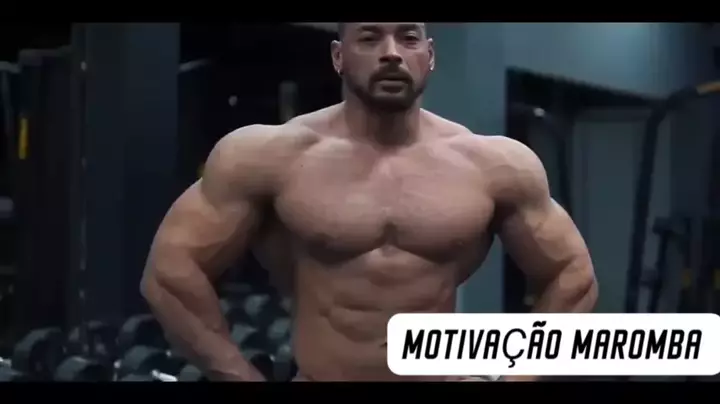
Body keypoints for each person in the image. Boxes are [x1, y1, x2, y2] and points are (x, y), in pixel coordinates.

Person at [140, 22, 598, 382]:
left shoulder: (494, 165)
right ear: (338, 56)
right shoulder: (268, 157)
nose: (392, 52)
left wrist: (519, 378)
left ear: (429, 55)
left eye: (408, 37)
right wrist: (241, 377)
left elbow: (573, 276)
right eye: (369, 37)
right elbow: (170, 274)